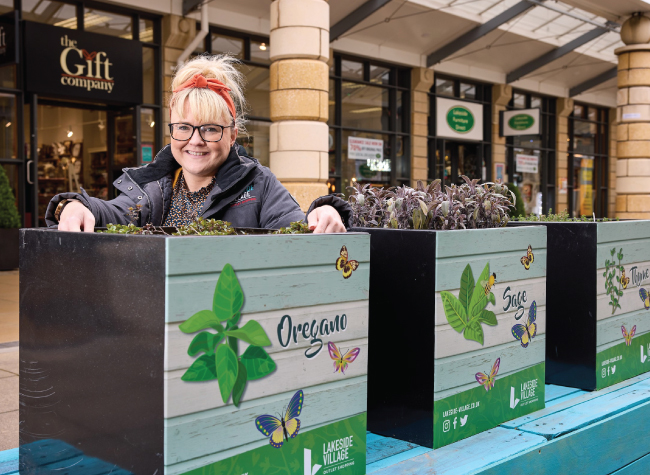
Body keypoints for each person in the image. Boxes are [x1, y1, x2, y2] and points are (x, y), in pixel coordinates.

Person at [46, 55, 349, 233]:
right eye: (184, 128)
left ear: (233, 134)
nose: (195, 141)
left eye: (210, 129)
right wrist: (73, 205)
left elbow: (294, 228)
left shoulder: (259, 185)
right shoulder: (154, 187)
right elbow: (114, 213)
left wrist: (325, 213)